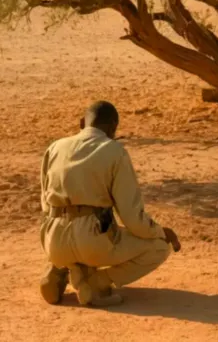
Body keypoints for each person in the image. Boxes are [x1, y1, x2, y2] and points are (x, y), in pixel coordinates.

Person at [38, 101, 181, 306]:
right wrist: (160, 232)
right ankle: (96, 284)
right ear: (113, 127)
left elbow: (45, 206)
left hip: (53, 240)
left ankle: (58, 269)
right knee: (158, 247)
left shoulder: (54, 148)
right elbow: (132, 218)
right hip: (92, 241)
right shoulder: (114, 151)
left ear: (81, 123)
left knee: (75, 239)